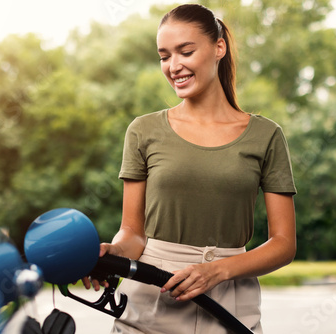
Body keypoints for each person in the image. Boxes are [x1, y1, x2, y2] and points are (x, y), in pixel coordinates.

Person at [83, 4, 296, 333]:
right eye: (164, 56)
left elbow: (283, 243)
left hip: (230, 302)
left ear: (218, 48)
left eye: (185, 51)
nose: (173, 66)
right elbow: (133, 232)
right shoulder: (143, 131)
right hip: (152, 300)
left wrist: (218, 270)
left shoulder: (266, 136)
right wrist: (112, 253)